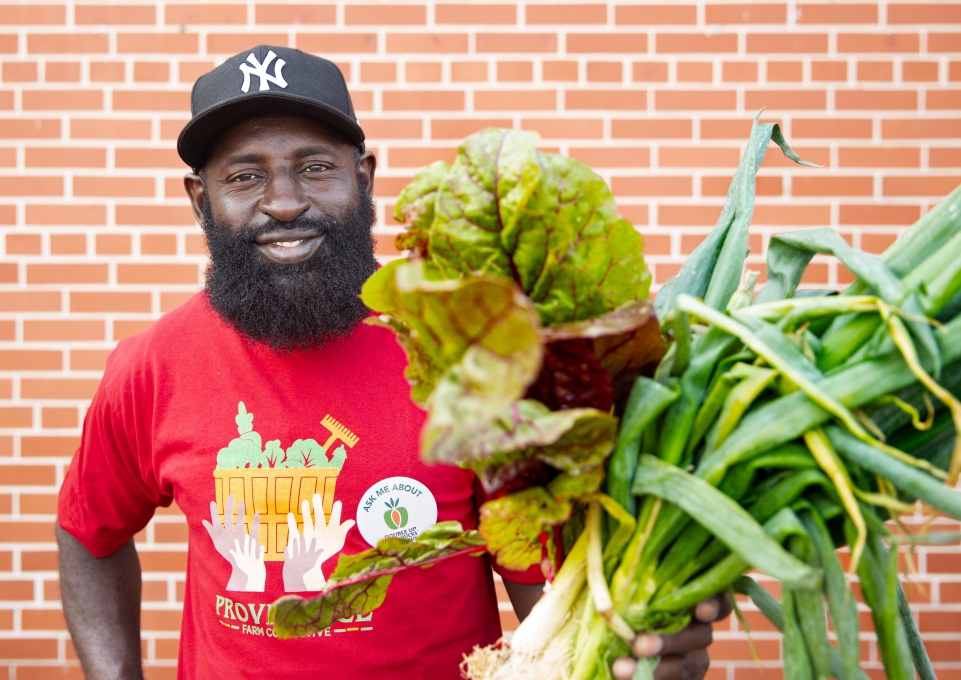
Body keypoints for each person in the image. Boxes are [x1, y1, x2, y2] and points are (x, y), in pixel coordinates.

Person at [56, 45, 728, 680]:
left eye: (315, 167)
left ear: (364, 176)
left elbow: (548, 595)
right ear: (201, 199)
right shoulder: (152, 367)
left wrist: (623, 645)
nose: (284, 201)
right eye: (244, 176)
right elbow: (87, 532)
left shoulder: (466, 356)